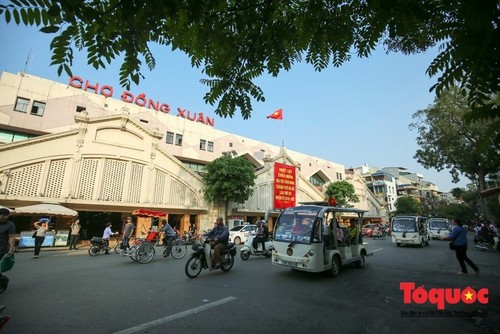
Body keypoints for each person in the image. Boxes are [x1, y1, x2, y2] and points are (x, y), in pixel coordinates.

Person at [0, 208, 15, 291]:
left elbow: (11, 237)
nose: (5, 217)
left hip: (1, 248)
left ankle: (2, 280)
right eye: (3, 215)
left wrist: (11, 249)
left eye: (7, 216)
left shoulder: (10, 225)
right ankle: (2, 280)